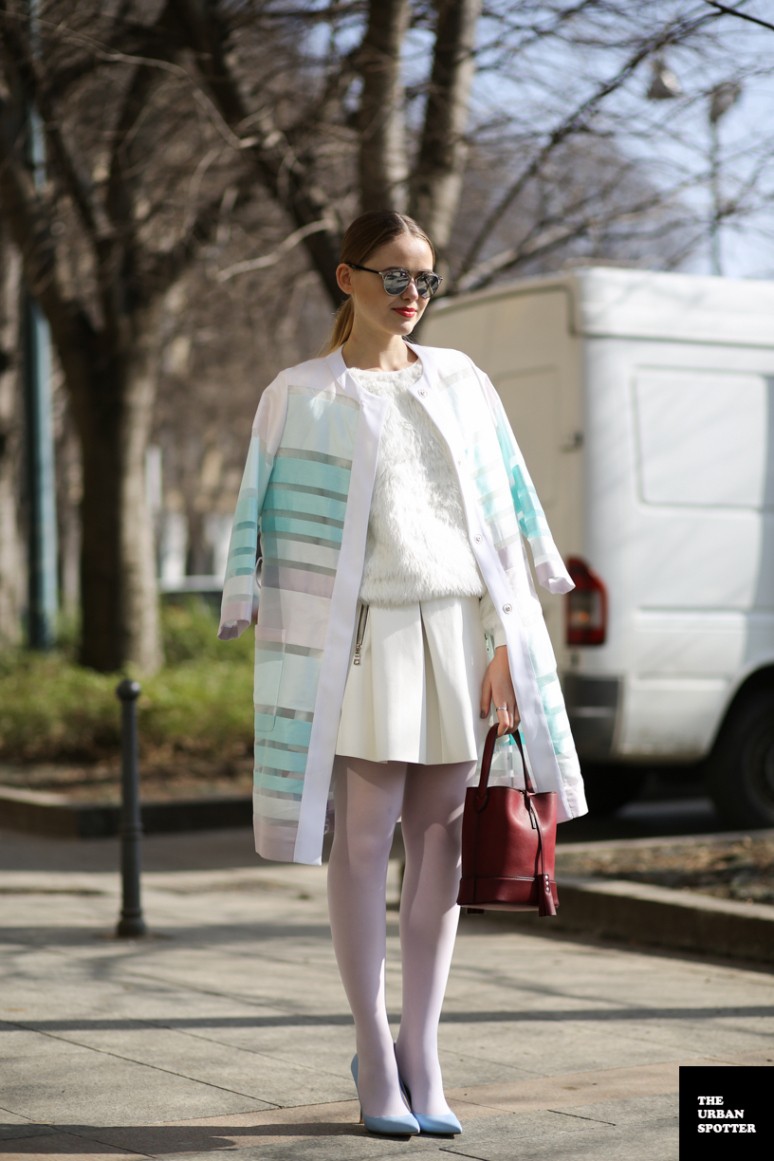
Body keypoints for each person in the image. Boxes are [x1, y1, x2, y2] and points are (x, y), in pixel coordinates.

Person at [218, 210, 587, 1138]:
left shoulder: (462, 380)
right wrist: (244, 600)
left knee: (444, 843)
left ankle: (422, 1047)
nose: (411, 293)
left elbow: (503, 511)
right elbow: (258, 515)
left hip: (457, 632)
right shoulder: (300, 393)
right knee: (362, 841)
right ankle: (372, 1049)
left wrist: (505, 641)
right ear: (347, 278)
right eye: (393, 275)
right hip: (362, 639)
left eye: (424, 277)